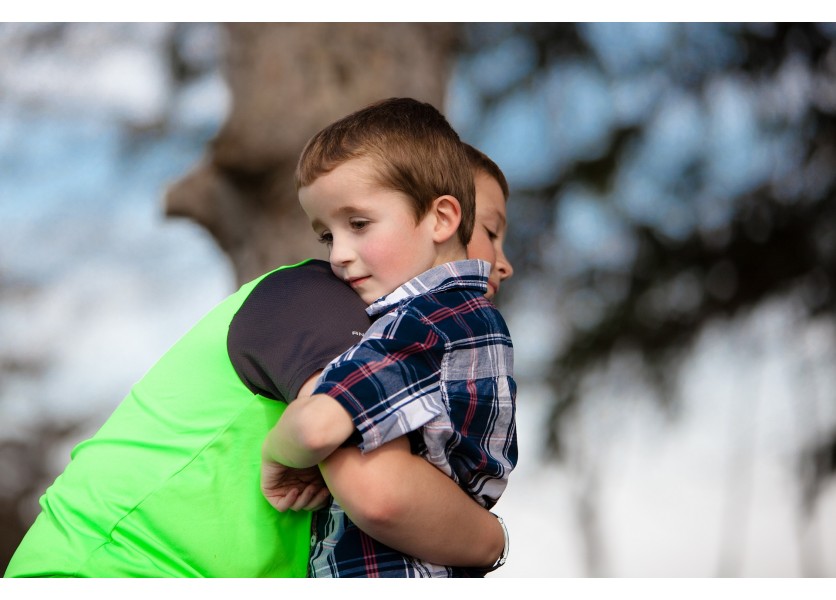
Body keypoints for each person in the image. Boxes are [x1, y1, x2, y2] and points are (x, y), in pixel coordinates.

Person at [4, 195, 509, 575]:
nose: (502, 261)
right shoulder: (324, 300)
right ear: (440, 219)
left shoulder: (407, 335)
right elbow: (380, 493)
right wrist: (494, 540)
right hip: (112, 570)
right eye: (490, 229)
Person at [261, 97, 517, 578]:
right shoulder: (462, 319)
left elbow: (318, 426)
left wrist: (275, 450)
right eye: (326, 236)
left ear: (442, 219)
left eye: (358, 224)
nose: (338, 255)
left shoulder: (431, 321)